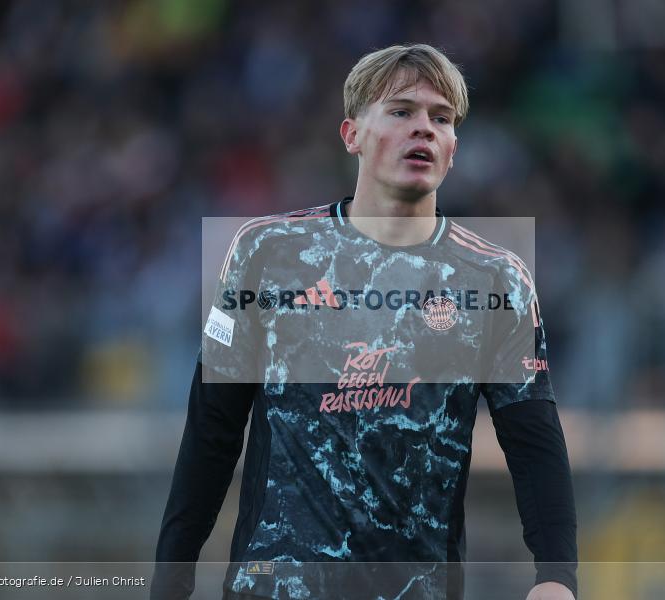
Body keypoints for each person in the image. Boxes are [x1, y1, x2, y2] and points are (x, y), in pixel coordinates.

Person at [152, 44, 577, 600]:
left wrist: (556, 579)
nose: (423, 128)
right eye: (401, 112)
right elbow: (212, 431)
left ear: (453, 148)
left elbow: (533, 444)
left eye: (440, 118)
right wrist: (170, 580)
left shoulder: (495, 280)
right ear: (351, 134)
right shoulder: (268, 253)